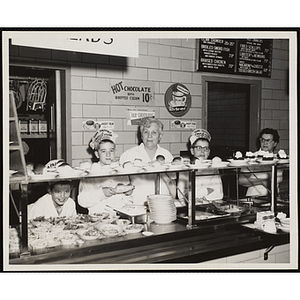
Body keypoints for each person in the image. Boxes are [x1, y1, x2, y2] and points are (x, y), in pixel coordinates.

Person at [119, 117, 175, 205]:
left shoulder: (167, 155)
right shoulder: (128, 155)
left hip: (163, 205)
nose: (149, 136)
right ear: (141, 135)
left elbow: (172, 183)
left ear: (160, 136)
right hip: (137, 205)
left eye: (154, 133)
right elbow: (122, 185)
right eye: (146, 132)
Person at [78, 129, 134, 214]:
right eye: (103, 151)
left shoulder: (121, 171)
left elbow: (128, 199)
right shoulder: (90, 173)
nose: (108, 155)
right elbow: (82, 201)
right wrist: (101, 193)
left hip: (122, 216)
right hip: (99, 217)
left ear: (115, 152)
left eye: (111, 151)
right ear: (97, 154)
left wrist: (128, 193)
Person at [177, 129, 224, 204]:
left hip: (210, 207)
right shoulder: (185, 168)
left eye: (205, 148)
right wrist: (207, 190)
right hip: (189, 208)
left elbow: (219, 194)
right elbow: (182, 194)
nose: (202, 151)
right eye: (198, 148)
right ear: (192, 151)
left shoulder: (213, 168)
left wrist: (197, 195)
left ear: (208, 152)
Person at [238, 128, 283, 197]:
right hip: (254, 197)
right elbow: (241, 180)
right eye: (263, 140)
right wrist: (263, 182)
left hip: (273, 198)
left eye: (268, 140)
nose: (265, 143)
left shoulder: (278, 159)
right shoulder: (252, 157)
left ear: (275, 143)